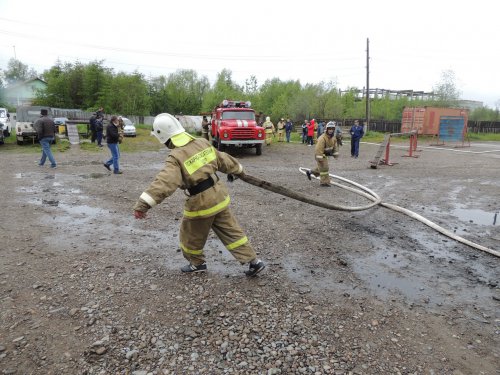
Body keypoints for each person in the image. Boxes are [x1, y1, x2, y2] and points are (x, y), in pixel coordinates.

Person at [133, 113, 265, 277]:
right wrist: (239, 171)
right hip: (219, 195)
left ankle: (197, 264)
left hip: (201, 203)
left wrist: (143, 205)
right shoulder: (202, 142)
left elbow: (164, 183)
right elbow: (223, 160)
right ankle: (254, 261)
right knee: (232, 231)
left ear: (164, 137)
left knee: (190, 235)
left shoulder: (176, 156)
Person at [306, 122, 339, 186]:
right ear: (326, 129)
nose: (331, 130)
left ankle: (310, 172)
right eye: (329, 129)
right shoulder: (322, 138)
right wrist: (319, 158)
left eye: (332, 129)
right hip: (320, 155)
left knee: (320, 168)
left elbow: (335, 147)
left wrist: (335, 154)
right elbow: (318, 149)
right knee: (325, 168)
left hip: (325, 155)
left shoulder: (333, 138)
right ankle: (324, 182)